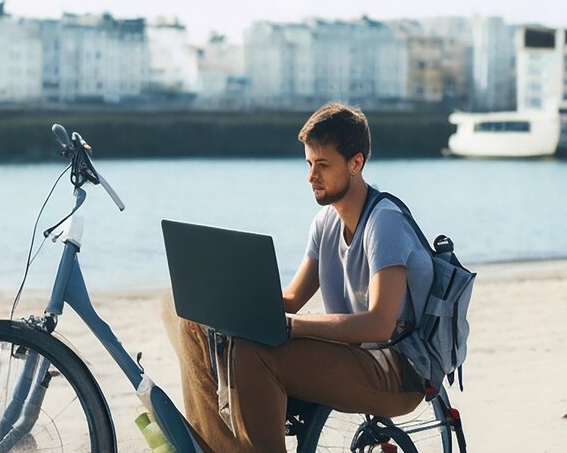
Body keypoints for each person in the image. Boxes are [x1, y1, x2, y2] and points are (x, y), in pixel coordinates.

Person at [164, 102, 431, 452]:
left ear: (356, 163)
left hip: (396, 369)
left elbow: (379, 324)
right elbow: (290, 301)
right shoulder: (326, 223)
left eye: (322, 165)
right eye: (308, 163)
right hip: (352, 354)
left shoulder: (385, 224)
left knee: (251, 354)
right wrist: (219, 302)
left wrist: (297, 326)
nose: (311, 176)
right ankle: (217, 445)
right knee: (183, 312)